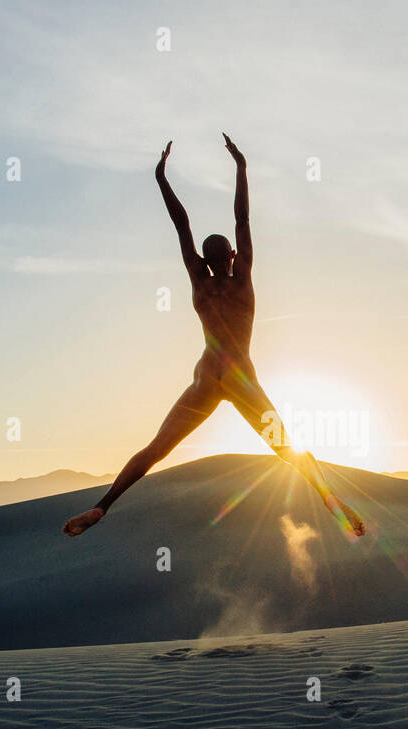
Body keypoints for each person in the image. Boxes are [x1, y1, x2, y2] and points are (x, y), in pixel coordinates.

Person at [64, 134, 366, 538]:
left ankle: (102, 507)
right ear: (235, 258)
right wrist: (241, 167)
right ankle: (330, 499)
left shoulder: (199, 283)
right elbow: (242, 220)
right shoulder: (242, 281)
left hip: (207, 376)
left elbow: (181, 224)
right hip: (241, 376)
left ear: (203, 261)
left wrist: (160, 177)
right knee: (288, 449)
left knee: (156, 449)